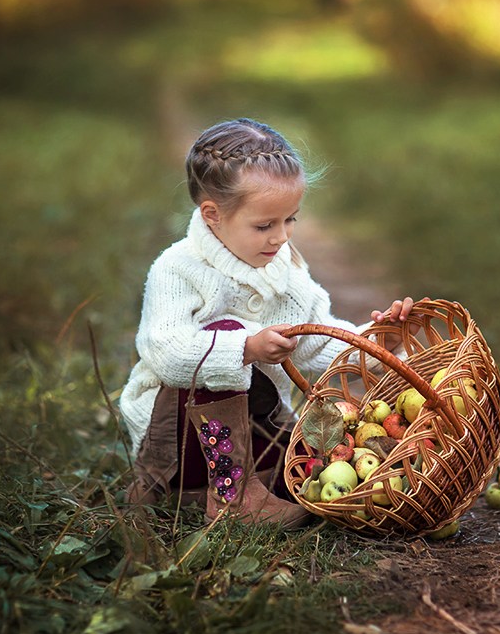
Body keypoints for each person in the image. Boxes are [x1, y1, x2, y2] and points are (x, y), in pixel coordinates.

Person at [118, 118, 414, 529]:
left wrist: (378, 344)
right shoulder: (178, 268)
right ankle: (226, 497)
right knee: (224, 335)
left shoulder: (284, 270)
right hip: (177, 443)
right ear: (212, 215)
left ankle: (238, 492)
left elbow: (315, 337)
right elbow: (165, 352)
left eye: (290, 220)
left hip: (258, 432)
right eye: (264, 225)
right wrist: (246, 349)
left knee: (316, 465)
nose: (280, 237)